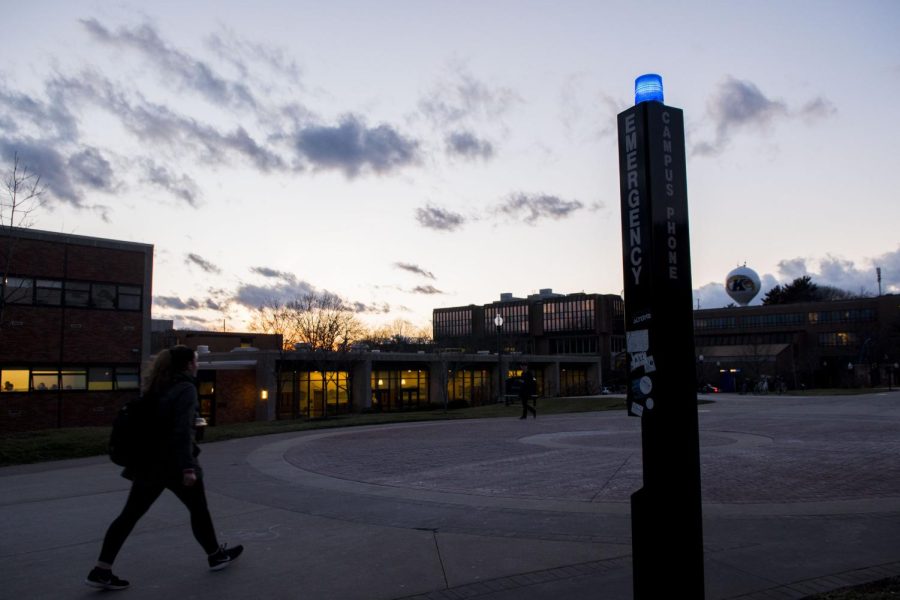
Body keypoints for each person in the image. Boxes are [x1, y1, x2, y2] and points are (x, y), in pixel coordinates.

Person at [85, 345, 243, 590]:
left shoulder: (158, 385)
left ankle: (101, 569)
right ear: (188, 364)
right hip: (174, 464)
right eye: (196, 360)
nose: (197, 364)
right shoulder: (186, 389)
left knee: (129, 516)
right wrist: (188, 468)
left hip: (148, 464)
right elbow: (181, 432)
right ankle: (215, 555)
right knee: (199, 510)